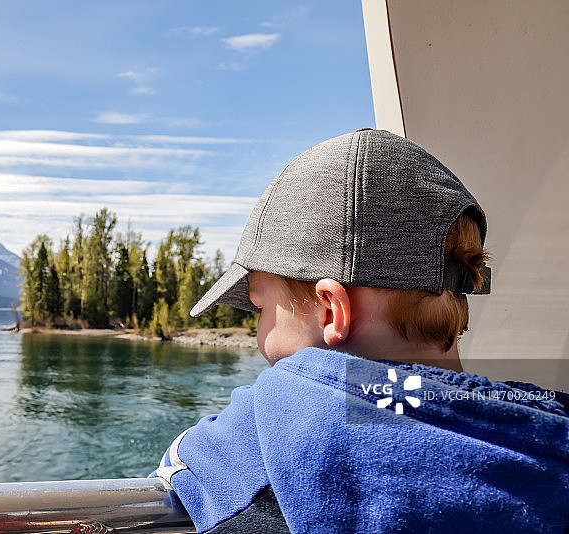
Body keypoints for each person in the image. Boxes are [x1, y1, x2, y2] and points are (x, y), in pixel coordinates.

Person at [153, 129, 569, 533]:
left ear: (333, 311)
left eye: (261, 309)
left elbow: (187, 460)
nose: (258, 333)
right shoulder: (540, 428)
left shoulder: (295, 411)